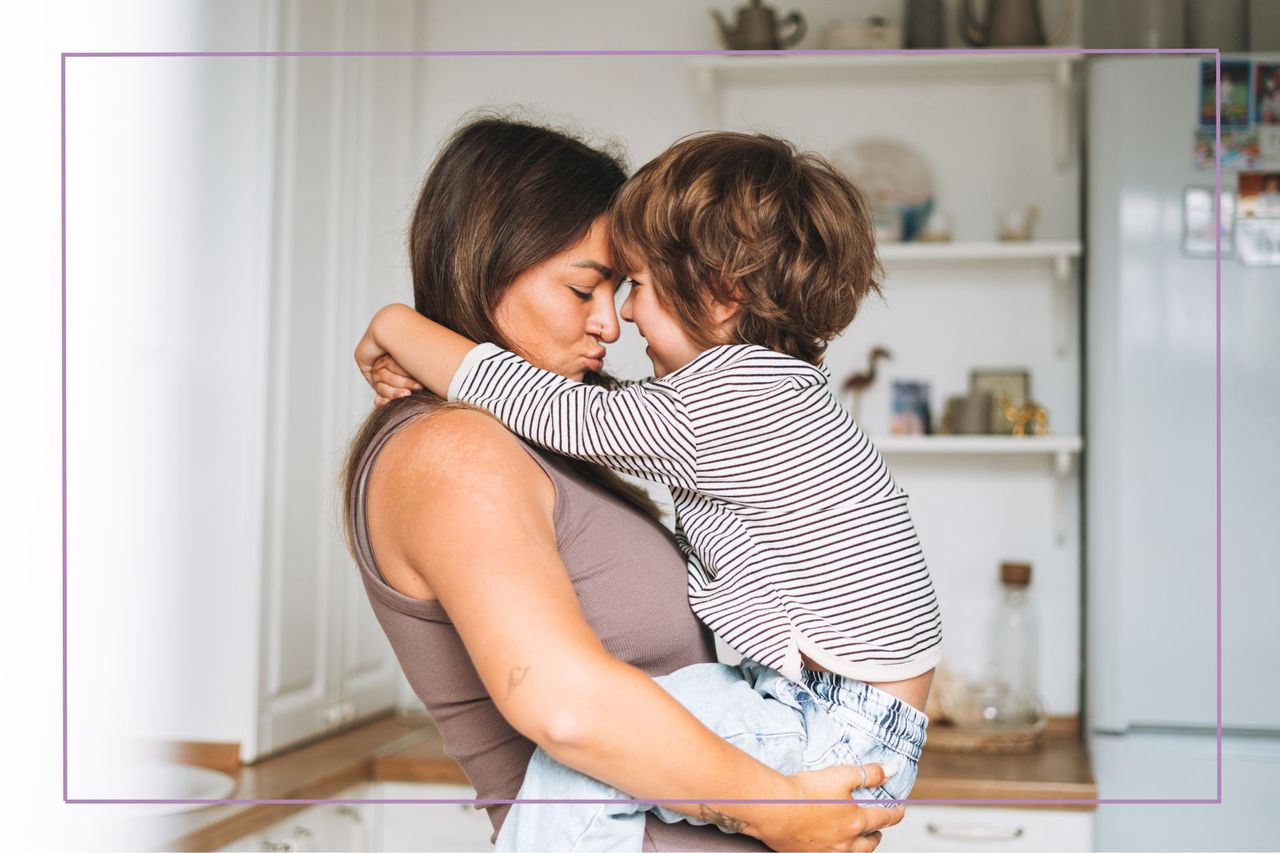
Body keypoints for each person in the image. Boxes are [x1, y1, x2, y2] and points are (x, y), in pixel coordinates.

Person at [355, 131, 941, 851]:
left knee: (580, 772)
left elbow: (567, 413)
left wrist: (396, 328)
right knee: (575, 766)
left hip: (834, 721)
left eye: (633, 286)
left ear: (722, 295)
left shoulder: (734, 399)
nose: (618, 318)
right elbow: (570, 711)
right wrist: (773, 808)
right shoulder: (455, 452)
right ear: (486, 265)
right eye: (586, 287)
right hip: (837, 721)